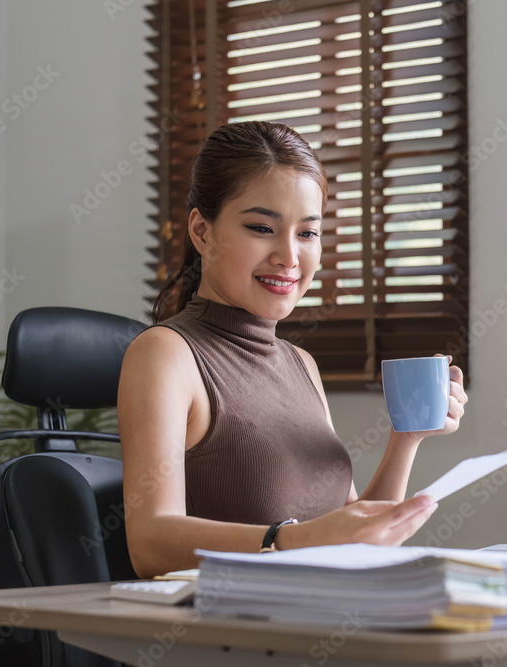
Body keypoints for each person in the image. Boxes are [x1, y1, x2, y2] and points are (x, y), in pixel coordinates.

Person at [119, 121, 469, 578]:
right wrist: (288, 540)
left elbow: (350, 535)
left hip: (321, 619)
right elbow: (150, 544)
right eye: (262, 227)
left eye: (307, 233)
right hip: (227, 636)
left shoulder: (301, 364)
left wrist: (408, 437)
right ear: (202, 231)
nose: (289, 256)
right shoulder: (166, 353)